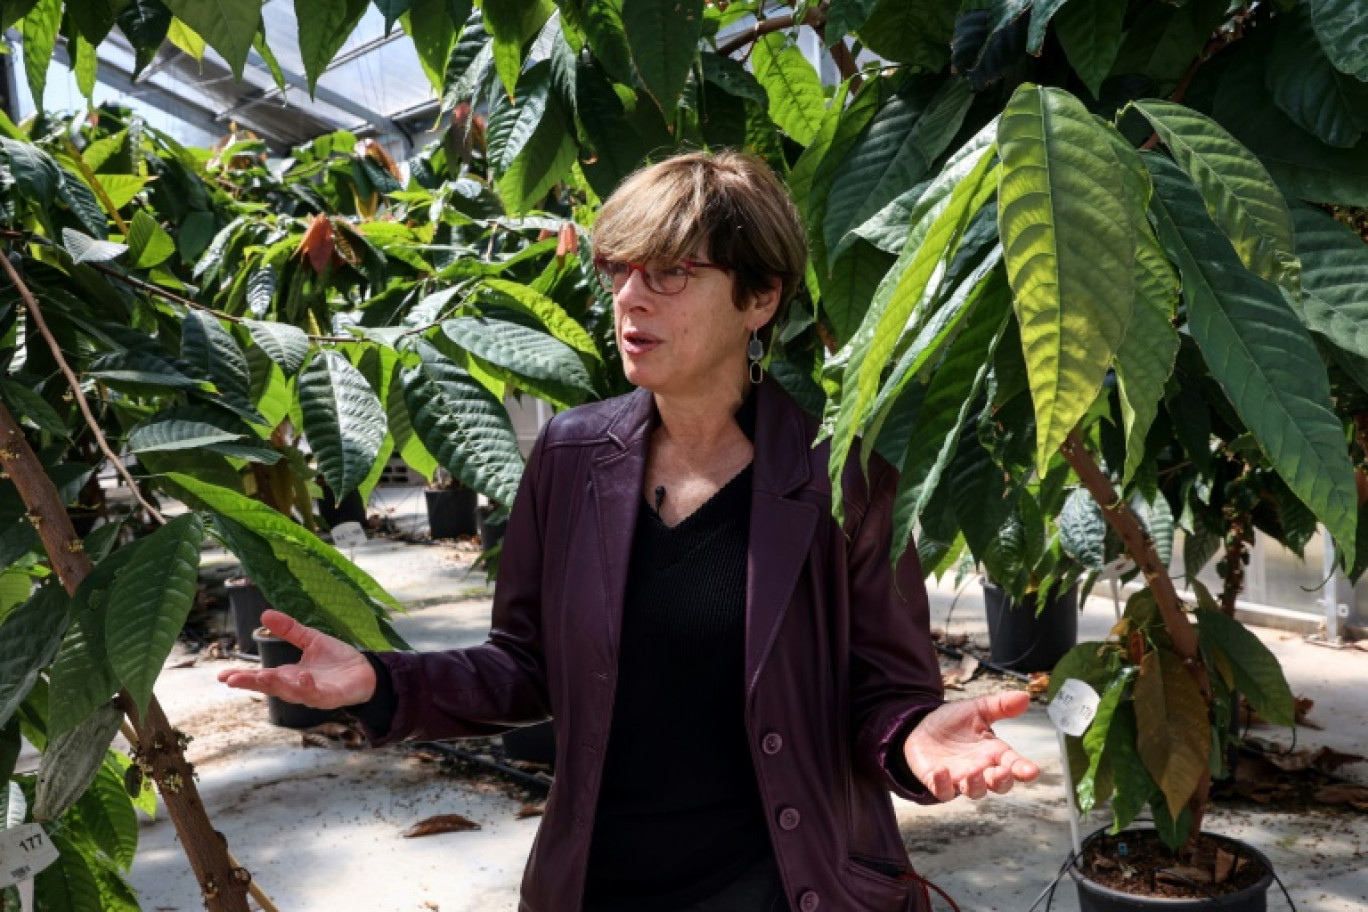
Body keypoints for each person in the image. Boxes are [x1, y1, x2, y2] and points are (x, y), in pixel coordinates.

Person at [219, 150, 1040, 912]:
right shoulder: (572, 456)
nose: (630, 297)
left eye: (674, 273)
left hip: (784, 888)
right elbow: (527, 667)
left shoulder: (842, 477)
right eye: (621, 269)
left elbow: (884, 695)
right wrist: (382, 680)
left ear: (760, 298)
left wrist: (914, 740)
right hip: (603, 884)